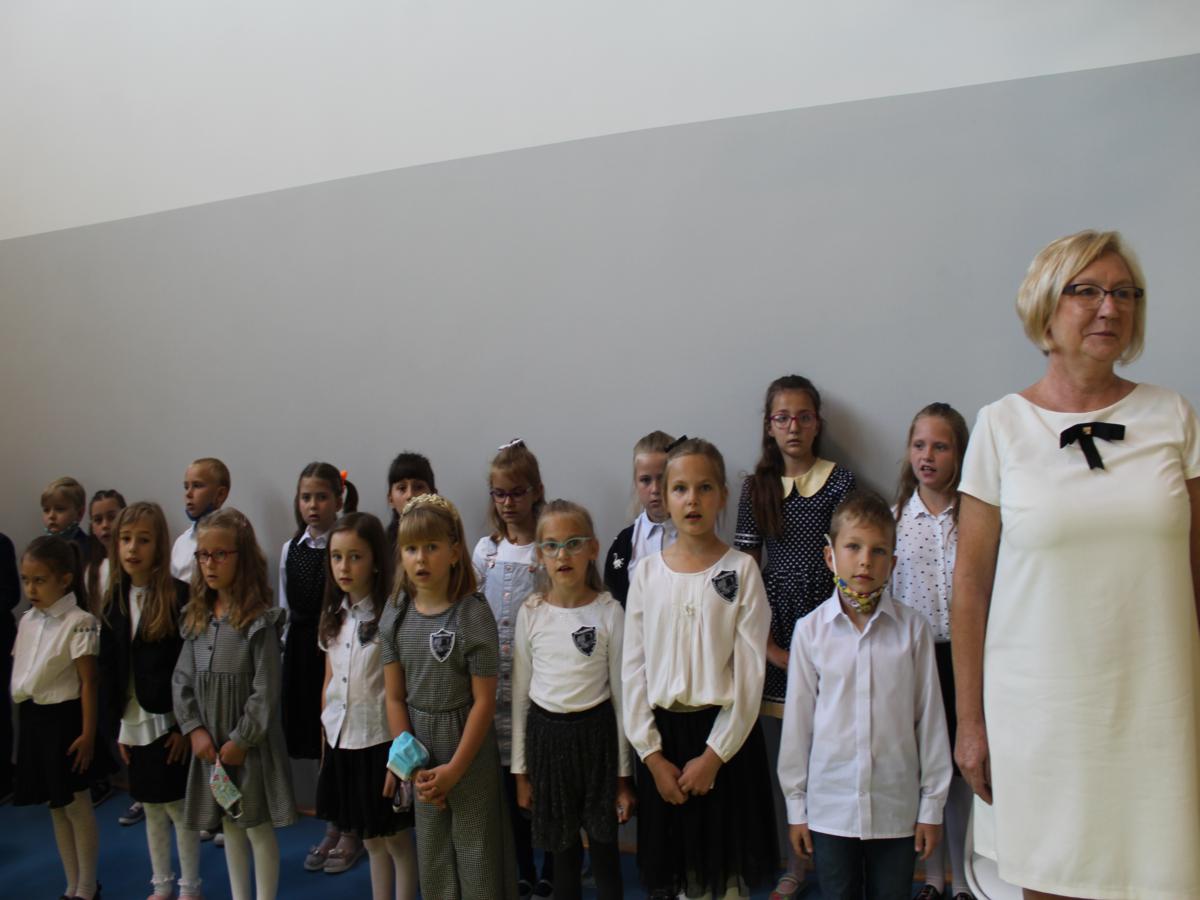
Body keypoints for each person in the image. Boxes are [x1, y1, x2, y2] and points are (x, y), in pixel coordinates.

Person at [953, 229, 1200, 898]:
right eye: (1086, 291)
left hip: (1157, 712)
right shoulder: (1000, 426)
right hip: (1041, 721)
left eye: (1125, 293)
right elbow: (970, 589)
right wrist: (970, 726)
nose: (1109, 308)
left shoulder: (1173, 417)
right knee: (1052, 882)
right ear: (1045, 305)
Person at [623, 437, 777, 900]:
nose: (692, 499)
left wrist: (714, 756)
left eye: (705, 488)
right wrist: (651, 756)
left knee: (724, 880)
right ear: (664, 497)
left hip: (724, 746)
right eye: (681, 488)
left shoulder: (741, 571)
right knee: (676, 879)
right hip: (664, 747)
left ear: (722, 496)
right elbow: (632, 671)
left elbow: (750, 676)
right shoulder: (646, 574)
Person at [779, 491, 951, 899]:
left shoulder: (913, 630)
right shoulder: (810, 631)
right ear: (830, 556)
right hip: (831, 808)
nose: (864, 561)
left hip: (896, 808)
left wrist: (932, 808)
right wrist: (796, 807)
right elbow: (798, 727)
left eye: (878, 551)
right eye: (853, 547)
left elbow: (930, 721)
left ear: (892, 563)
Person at [734, 375, 856, 900]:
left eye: (803, 417)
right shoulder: (755, 488)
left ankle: (840, 859)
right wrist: (768, 647)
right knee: (788, 754)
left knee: (833, 749)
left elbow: (850, 557)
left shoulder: (840, 482)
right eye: (782, 417)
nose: (793, 427)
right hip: (774, 627)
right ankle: (794, 862)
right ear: (769, 426)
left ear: (817, 423)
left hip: (828, 621)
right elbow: (744, 573)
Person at [381, 494, 519, 900]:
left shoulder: (472, 614)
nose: (421, 558)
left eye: (432, 546)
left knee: (478, 855)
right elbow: (394, 698)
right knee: (435, 858)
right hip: (421, 754)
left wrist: (455, 770)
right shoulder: (396, 612)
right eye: (411, 549)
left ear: (455, 552)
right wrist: (413, 768)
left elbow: (484, 702)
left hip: (467, 751)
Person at [512, 499, 635, 900]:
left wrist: (623, 779)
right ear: (540, 555)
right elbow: (520, 699)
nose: (562, 555)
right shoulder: (531, 613)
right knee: (563, 857)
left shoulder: (609, 612)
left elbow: (622, 699)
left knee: (604, 854)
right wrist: (521, 774)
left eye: (573, 543)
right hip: (547, 743)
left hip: (597, 741)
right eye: (551, 546)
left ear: (593, 549)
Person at [173, 508, 296, 900]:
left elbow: (265, 689)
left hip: (248, 747)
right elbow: (182, 679)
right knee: (229, 825)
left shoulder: (259, 621)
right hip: (211, 746)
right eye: (203, 555)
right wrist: (194, 729)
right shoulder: (196, 618)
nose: (210, 563)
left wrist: (242, 740)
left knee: (256, 827)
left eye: (220, 554)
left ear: (241, 558)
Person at [892, 403, 974, 900]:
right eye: (919, 445)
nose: (928, 456)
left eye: (940, 447)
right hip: (917, 660)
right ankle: (932, 877)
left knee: (964, 770)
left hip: (966, 658)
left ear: (959, 454)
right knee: (929, 772)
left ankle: (964, 878)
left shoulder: (975, 516)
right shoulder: (896, 519)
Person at [99, 502, 200, 898]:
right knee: (150, 807)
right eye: (125, 539)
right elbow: (112, 669)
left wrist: (182, 726)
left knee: (177, 806)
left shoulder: (178, 596)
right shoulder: (113, 600)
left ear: (158, 545)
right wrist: (119, 725)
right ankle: (161, 883)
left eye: (143, 540)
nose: (132, 548)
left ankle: (190, 885)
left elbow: (188, 666)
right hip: (134, 719)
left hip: (169, 721)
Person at [315, 511, 416, 897]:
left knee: (395, 840)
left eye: (355, 556)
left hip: (380, 744)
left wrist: (400, 759)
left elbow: (398, 693)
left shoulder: (392, 616)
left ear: (375, 561)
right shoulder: (333, 616)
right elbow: (329, 684)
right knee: (371, 840)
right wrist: (325, 742)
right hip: (343, 742)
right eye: (337, 557)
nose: (344, 566)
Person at [472, 439, 553, 897]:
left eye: (516, 492)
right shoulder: (486, 551)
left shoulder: (547, 548)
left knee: (543, 777)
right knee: (507, 781)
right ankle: (521, 865)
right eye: (499, 493)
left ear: (535, 490)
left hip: (538, 684)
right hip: (494, 688)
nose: (507, 503)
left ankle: (555, 864)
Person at [11, 535, 103, 900]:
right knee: (56, 806)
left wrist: (88, 733)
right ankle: (71, 883)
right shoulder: (27, 621)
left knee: (76, 805)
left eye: (39, 580)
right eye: (25, 580)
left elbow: (89, 681)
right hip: (34, 718)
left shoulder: (80, 622)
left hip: (65, 721)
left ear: (64, 579)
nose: (30, 589)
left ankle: (87, 886)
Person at [280, 463, 361, 872]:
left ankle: (352, 828)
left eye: (321, 497)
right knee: (318, 744)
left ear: (338, 499)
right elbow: (285, 603)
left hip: (335, 647)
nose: (313, 505)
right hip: (301, 650)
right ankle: (331, 822)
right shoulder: (291, 547)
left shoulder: (344, 545)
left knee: (343, 739)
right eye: (306, 497)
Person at [603, 430, 677, 608]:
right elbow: (615, 607)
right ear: (636, 483)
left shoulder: (696, 537)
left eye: (663, 478)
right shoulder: (623, 544)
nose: (655, 489)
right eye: (645, 480)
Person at [170, 457, 231, 582]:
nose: (188, 494)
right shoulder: (181, 542)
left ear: (220, 494)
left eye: (197, 486)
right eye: (186, 487)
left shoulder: (232, 541)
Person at [384, 452, 436, 551]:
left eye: (419, 487)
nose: (410, 495)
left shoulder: (447, 537)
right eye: (402, 488)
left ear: (433, 495)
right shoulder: (381, 545)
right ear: (390, 499)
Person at [41, 476, 91, 555]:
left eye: (59, 509)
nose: (51, 516)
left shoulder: (89, 549)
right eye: (46, 510)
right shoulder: (40, 548)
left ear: (79, 513)